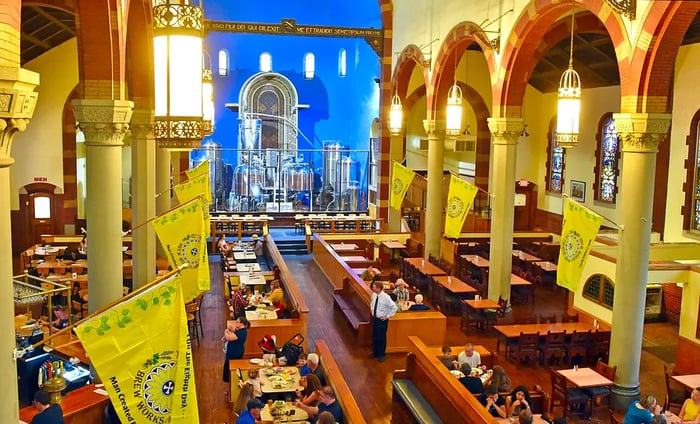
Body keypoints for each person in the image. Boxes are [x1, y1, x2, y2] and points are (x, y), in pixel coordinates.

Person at [369, 279, 397, 362]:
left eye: (374, 287)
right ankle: (375, 352)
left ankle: (381, 354)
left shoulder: (386, 297)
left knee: (381, 337)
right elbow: (372, 303)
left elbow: (394, 307)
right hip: (375, 319)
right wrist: (372, 309)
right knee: (375, 336)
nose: (373, 289)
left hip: (382, 320)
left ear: (378, 288)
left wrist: (387, 316)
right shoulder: (374, 295)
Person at [222, 317, 250, 383]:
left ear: (241, 324)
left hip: (234, 352)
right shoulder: (242, 330)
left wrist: (226, 331)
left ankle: (231, 381)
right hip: (236, 350)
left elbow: (229, 337)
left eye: (237, 322)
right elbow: (234, 331)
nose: (236, 323)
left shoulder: (241, 333)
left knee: (230, 367)